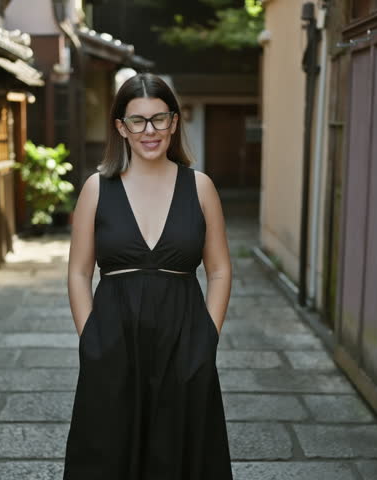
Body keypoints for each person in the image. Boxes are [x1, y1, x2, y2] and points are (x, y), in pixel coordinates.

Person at [64, 73, 233, 479]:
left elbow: (220, 268)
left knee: (180, 451)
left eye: (159, 119)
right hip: (112, 338)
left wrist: (206, 335)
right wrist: (92, 338)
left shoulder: (201, 187)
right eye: (137, 120)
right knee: (106, 449)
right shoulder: (96, 188)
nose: (149, 131)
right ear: (121, 127)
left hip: (184, 339)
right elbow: (78, 271)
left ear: (174, 122)